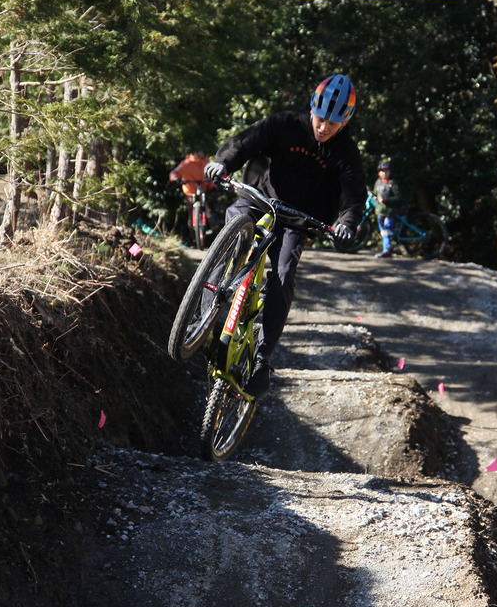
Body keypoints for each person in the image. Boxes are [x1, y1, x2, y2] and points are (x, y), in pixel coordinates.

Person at [204, 74, 366, 398]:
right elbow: (246, 141)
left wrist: (348, 223)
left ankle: (262, 358)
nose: (323, 127)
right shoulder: (286, 123)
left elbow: (354, 196)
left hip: (298, 220)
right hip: (257, 197)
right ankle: (206, 310)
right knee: (235, 223)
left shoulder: (346, 152)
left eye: (332, 124)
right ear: (312, 109)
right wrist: (221, 163)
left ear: (344, 121)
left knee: (282, 273)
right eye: (320, 119)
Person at [169, 150, 216, 240]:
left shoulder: (206, 162)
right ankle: (193, 236)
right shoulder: (186, 163)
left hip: (204, 190)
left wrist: (213, 186)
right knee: (191, 213)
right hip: (190, 192)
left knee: (209, 207)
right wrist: (175, 178)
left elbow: (212, 176)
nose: (199, 153)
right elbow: (174, 173)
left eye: (201, 151)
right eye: (197, 151)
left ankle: (212, 224)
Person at [373, 159, 404, 259]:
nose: (384, 173)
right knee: (383, 231)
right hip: (379, 211)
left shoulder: (392, 183)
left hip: (389, 212)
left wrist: (387, 200)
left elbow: (398, 197)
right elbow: (374, 194)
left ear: (390, 172)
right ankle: (386, 248)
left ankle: (387, 250)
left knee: (387, 230)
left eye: (386, 171)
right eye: (382, 171)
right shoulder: (378, 183)